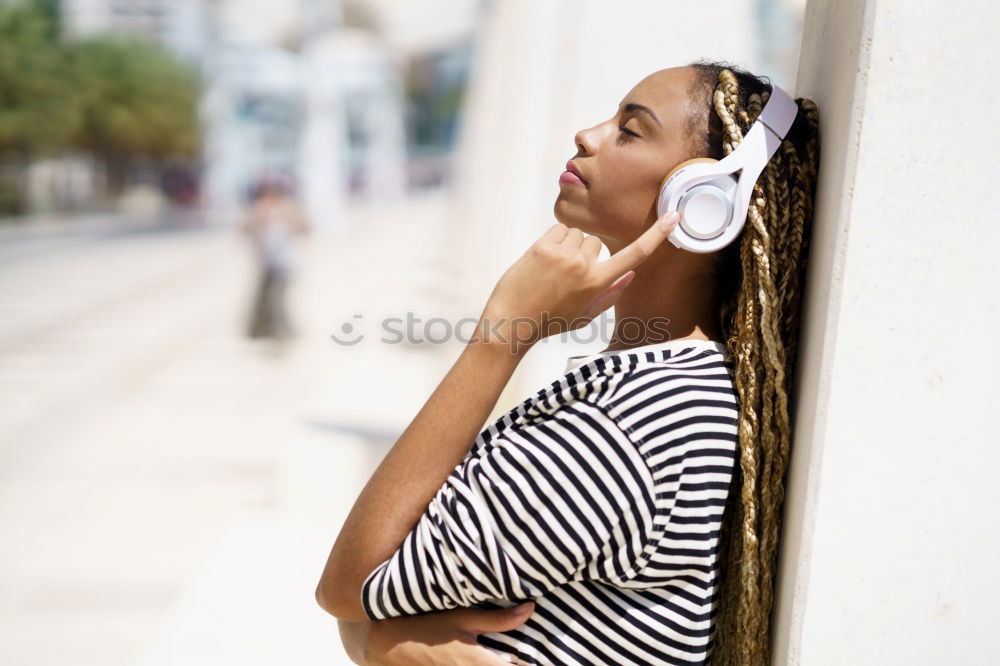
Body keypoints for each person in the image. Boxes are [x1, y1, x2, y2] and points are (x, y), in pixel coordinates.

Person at [315, 61, 820, 666]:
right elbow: (364, 608)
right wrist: (379, 637)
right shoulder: (671, 388)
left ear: (706, 202)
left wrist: (503, 334)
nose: (587, 134)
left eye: (630, 131)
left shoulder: (630, 426)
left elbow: (351, 585)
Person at [241, 175, 310, 344]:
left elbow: (306, 229)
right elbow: (245, 231)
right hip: (266, 264)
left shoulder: (289, 210)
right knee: (262, 298)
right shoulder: (258, 211)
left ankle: (281, 330)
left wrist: (287, 218)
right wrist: (261, 218)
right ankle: (259, 331)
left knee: (277, 297)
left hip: (285, 264)